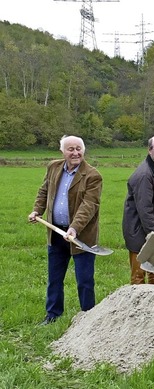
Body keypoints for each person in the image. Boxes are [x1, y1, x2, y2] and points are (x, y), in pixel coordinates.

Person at [28, 135, 103, 325]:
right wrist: (37, 210)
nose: (75, 153)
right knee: (54, 279)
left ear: (83, 150)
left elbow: (89, 205)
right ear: (62, 151)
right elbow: (44, 190)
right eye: (71, 149)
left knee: (84, 281)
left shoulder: (93, 175)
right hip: (56, 233)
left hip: (81, 237)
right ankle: (52, 315)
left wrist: (75, 228)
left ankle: (88, 318)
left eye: (79, 148)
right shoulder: (53, 167)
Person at [122, 135, 154, 285]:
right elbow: (144, 208)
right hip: (139, 230)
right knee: (139, 276)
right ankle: (137, 307)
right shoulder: (144, 175)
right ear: (149, 151)